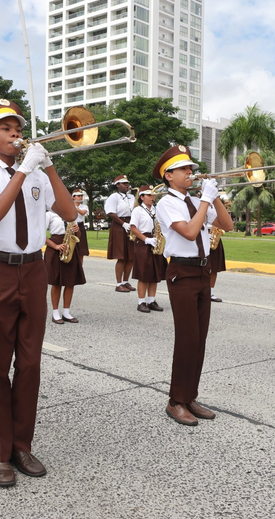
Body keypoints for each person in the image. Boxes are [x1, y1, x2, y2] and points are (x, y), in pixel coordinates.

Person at [0, 99, 76, 487]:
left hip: (33, 270)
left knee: (29, 364)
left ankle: (21, 444)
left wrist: (47, 166)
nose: (15, 133)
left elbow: (70, 212)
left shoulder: (37, 174)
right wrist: (22, 171)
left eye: (18, 127)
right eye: (6, 128)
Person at [154, 146, 233, 426]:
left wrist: (215, 199)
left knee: (199, 339)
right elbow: (188, 233)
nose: (191, 173)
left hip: (202, 272)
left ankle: (190, 396)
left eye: (191, 169)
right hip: (182, 272)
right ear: (168, 175)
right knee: (187, 338)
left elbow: (228, 225)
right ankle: (176, 401)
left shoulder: (198, 201)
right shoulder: (166, 203)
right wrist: (205, 202)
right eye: (184, 169)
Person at [129, 185, 167, 313]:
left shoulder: (156, 210)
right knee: (144, 274)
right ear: (142, 197)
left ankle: (151, 300)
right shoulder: (138, 210)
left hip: (156, 240)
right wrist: (146, 239)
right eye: (149, 195)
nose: (152, 197)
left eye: (153, 195)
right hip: (143, 241)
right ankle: (141, 302)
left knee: (155, 273)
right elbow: (133, 228)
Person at [45, 209, 86, 324]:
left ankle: (66, 312)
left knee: (70, 282)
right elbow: (40, 234)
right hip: (56, 246)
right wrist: (55, 246)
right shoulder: (49, 215)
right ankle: (55, 312)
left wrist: (77, 231)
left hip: (70, 248)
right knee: (56, 282)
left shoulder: (70, 215)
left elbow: (79, 235)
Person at [104, 175, 136, 292]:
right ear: (117, 185)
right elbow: (111, 213)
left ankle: (125, 281)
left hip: (131, 223)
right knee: (121, 257)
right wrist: (123, 224)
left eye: (127, 183)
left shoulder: (132, 197)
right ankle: (118, 284)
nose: (127, 185)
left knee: (131, 257)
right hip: (119, 225)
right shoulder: (114, 197)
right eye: (124, 183)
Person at [72, 189, 89, 264]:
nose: (80, 197)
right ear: (73, 197)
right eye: (78, 196)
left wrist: (74, 207)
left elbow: (82, 213)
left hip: (80, 226)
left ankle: (80, 268)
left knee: (81, 250)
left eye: (81, 196)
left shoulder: (84, 206)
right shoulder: (69, 205)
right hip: (71, 226)